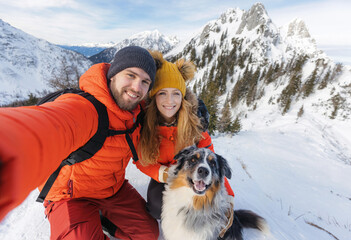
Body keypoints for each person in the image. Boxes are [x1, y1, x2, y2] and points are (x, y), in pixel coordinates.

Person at [0, 46, 159, 240]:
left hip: (111, 189)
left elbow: (170, 116)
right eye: (131, 75)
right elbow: (43, 126)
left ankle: (102, 221)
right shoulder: (85, 110)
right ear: (113, 75)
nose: (137, 87)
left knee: (149, 234)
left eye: (145, 82)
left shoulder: (138, 113)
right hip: (70, 197)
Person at [135, 51, 234, 220]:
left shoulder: (196, 122)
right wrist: (163, 173)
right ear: (154, 97)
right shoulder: (144, 123)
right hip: (163, 175)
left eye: (176, 93)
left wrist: (228, 197)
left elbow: (211, 160)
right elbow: (140, 159)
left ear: (183, 96)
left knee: (202, 206)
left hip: (193, 174)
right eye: (162, 93)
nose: (170, 101)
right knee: (157, 207)